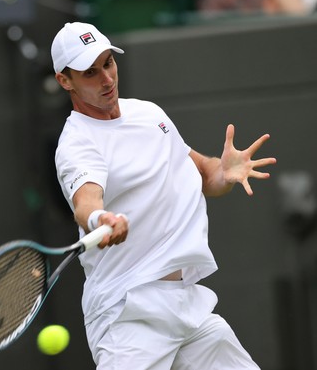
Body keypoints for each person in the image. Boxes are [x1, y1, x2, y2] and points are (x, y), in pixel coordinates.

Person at [51, 22, 277, 369]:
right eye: (90, 73)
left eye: (108, 63)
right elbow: (86, 202)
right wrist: (101, 220)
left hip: (185, 306)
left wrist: (224, 171)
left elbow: (203, 175)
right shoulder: (77, 144)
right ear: (64, 80)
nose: (107, 79)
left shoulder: (149, 113)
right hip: (127, 315)